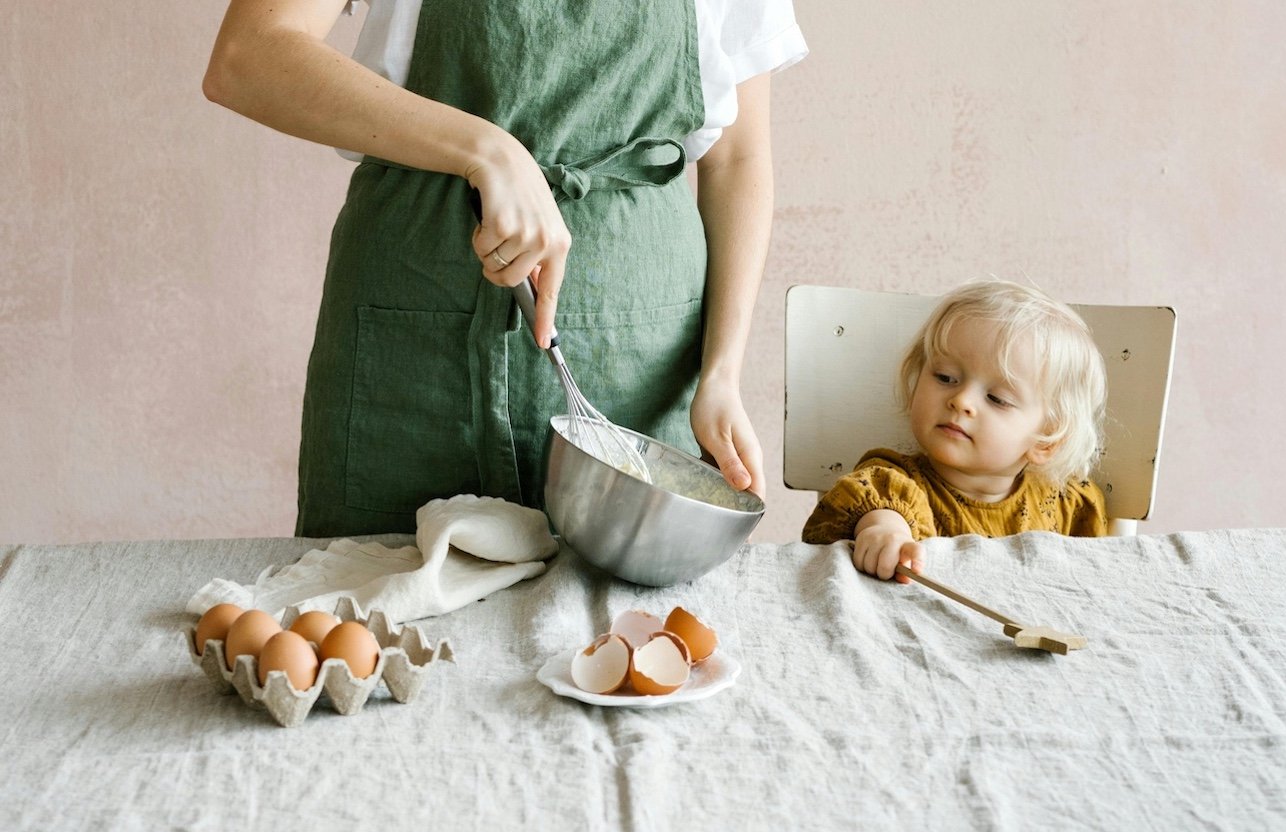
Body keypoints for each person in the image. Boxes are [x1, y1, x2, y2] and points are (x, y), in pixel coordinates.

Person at [202, 0, 807, 536]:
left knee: (618, 642)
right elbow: (248, 55)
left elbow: (737, 157)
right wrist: (487, 150)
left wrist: (722, 373)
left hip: (641, 366)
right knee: (379, 624)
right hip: (410, 355)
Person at [802, 279, 1109, 580]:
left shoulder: (1070, 506)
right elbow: (876, 508)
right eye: (946, 378)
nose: (961, 400)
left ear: (1046, 439)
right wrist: (883, 532)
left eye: (996, 399)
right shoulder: (894, 482)